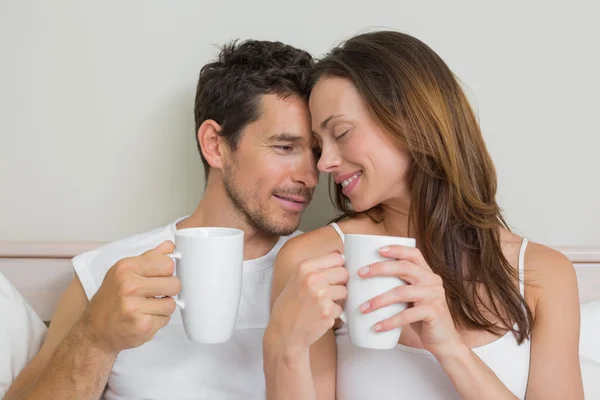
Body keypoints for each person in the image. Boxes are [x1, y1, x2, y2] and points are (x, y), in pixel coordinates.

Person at [264, 30, 584, 399]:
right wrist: (283, 348)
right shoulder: (314, 263)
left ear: (411, 119)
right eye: (321, 146)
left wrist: (450, 348)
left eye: (342, 132)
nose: (325, 163)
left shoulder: (545, 274)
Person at [5, 39, 319, 400]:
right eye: (284, 147)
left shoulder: (322, 278)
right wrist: (94, 340)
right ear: (215, 145)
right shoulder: (111, 273)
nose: (310, 176)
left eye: (316, 151)